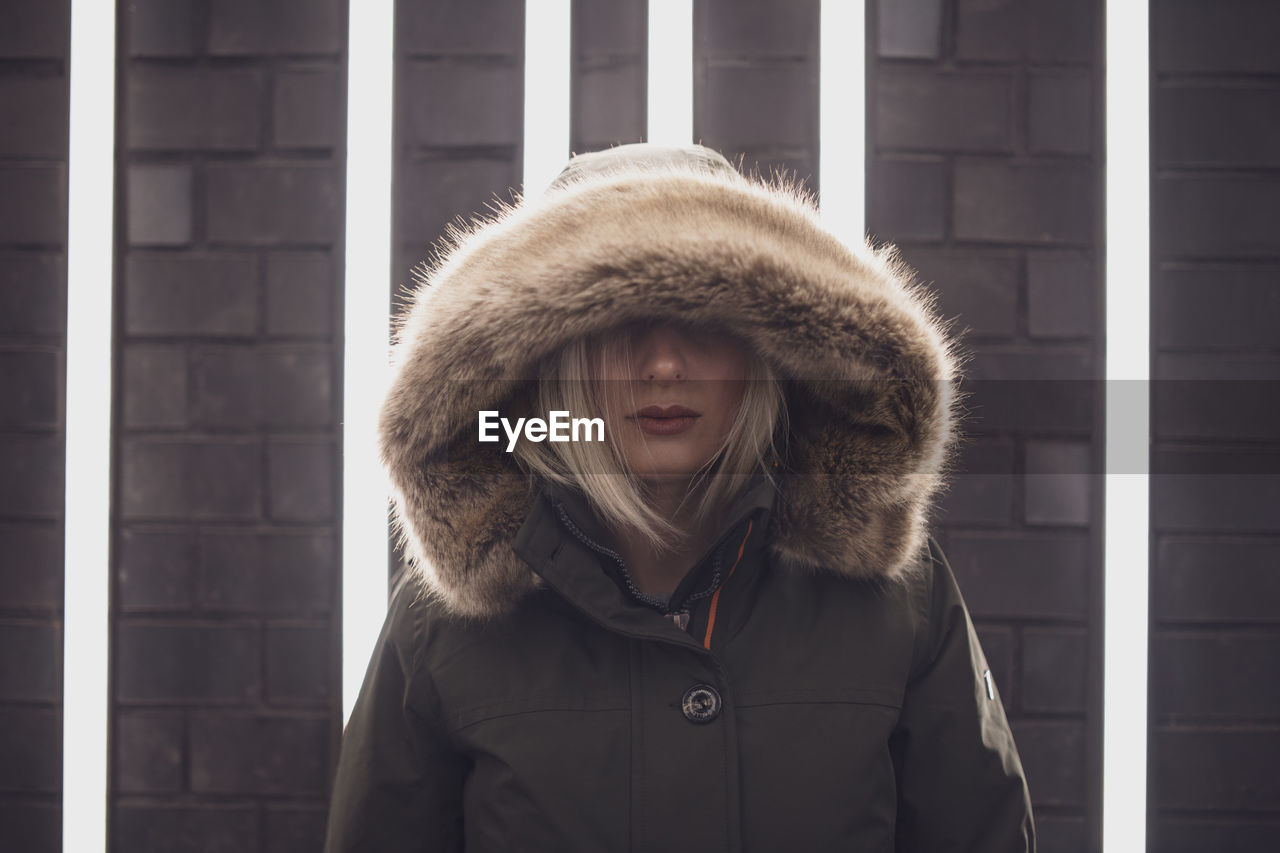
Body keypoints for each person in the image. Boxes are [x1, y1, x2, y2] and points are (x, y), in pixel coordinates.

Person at [322, 142, 1036, 852]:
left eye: (704, 320)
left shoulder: (895, 601)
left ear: (763, 349)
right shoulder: (442, 626)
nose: (663, 365)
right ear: (556, 353)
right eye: (618, 323)